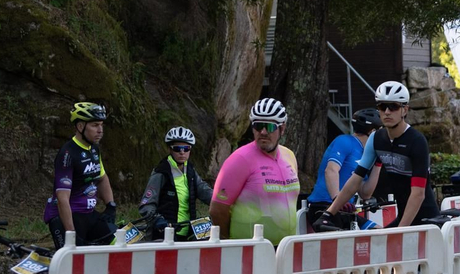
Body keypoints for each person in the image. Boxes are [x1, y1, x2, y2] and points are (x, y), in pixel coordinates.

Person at [326, 81, 436, 228]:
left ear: (405, 110)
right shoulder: (376, 138)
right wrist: (329, 213)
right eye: (382, 107)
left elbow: (418, 194)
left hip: (426, 219)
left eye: (394, 106)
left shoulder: (416, 141)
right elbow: (355, 179)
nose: (387, 112)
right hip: (403, 218)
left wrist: (400, 231)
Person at [210, 98, 302, 244]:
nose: (263, 132)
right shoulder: (240, 159)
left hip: (285, 248)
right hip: (248, 249)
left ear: (282, 129)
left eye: (269, 127)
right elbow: (217, 210)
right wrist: (229, 242)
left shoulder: (289, 155)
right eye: (258, 126)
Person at [45, 101, 116, 248]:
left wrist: (111, 205)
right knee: (73, 265)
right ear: (80, 126)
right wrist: (71, 234)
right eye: (95, 125)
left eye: (101, 125)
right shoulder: (68, 154)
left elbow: (102, 178)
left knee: (116, 245)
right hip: (66, 217)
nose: (100, 130)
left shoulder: (94, 149)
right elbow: (62, 198)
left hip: (88, 213)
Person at [306, 108, 380, 231]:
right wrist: (337, 199)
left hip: (345, 212)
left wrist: (378, 164)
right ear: (372, 132)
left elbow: (365, 193)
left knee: (380, 232)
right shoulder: (344, 141)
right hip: (323, 207)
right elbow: (331, 170)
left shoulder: (365, 153)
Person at [139, 127, 215, 241]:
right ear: (170, 149)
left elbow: (204, 191)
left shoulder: (190, 170)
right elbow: (146, 204)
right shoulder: (161, 172)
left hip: (187, 230)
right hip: (164, 233)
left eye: (186, 148)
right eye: (177, 148)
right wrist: (158, 220)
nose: (182, 152)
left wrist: (222, 202)